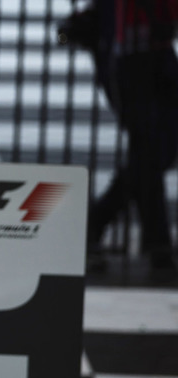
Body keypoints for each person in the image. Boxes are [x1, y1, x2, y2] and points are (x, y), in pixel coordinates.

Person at [61, 0, 178, 279]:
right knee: (149, 150)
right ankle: (156, 244)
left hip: (157, 54)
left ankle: (94, 227)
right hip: (130, 59)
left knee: (154, 152)